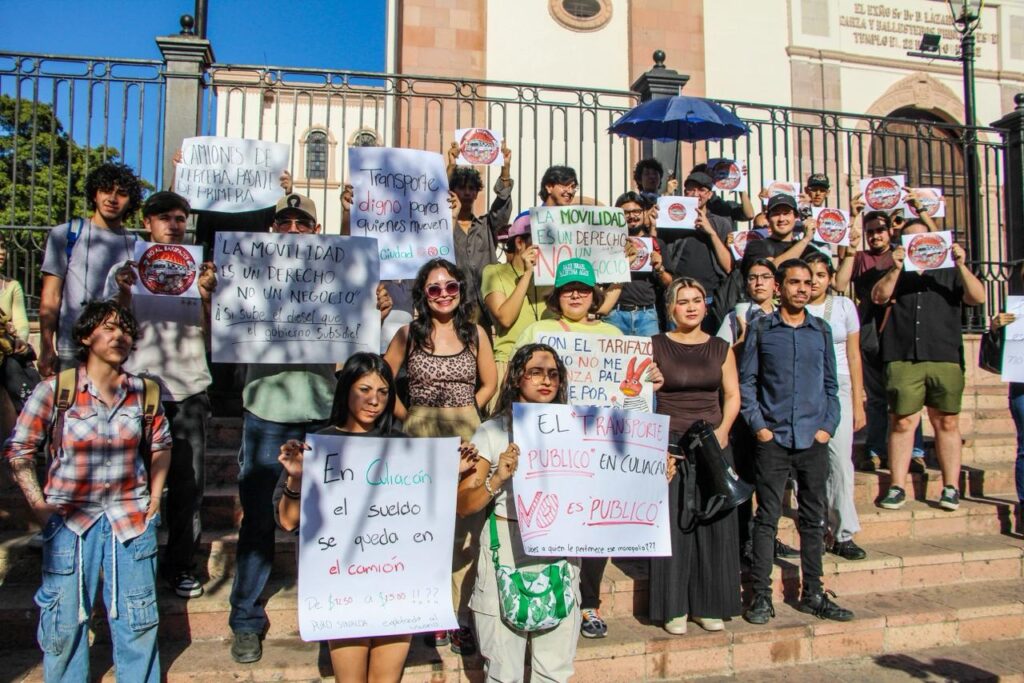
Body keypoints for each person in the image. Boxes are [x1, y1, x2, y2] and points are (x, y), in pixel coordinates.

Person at [274, 352, 479, 683]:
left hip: (397, 587)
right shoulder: (319, 446)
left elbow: (427, 513)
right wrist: (296, 478)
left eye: (383, 392)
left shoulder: (405, 446)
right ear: (346, 390)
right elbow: (287, 522)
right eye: (365, 389)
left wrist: (451, 472)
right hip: (342, 590)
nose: (374, 400)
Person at [4, 301, 172, 682]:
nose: (119, 336)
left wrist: (155, 499)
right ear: (85, 337)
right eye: (108, 328)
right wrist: (40, 507)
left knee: (139, 621)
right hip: (70, 523)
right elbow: (19, 450)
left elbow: (161, 444)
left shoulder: (144, 393)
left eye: (125, 329)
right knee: (63, 623)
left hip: (130, 520)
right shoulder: (55, 390)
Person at [516, 258, 663, 640]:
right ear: (557, 295)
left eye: (583, 288)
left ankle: (589, 603)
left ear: (595, 294)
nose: (576, 295)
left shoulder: (614, 334)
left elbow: (630, 390)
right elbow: (517, 382)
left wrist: (650, 382)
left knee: (597, 527)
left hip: (600, 447)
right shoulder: (538, 330)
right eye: (568, 289)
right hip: (552, 445)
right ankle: (555, 594)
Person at [229, 193, 338, 664]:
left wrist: (372, 311)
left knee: (325, 518)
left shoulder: (337, 272)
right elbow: (226, 328)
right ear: (273, 229)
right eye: (285, 222)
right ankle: (245, 619)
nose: (293, 229)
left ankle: (330, 614)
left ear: (315, 230)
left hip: (321, 408)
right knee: (257, 518)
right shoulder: (248, 271)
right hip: (266, 409)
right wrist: (214, 293)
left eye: (302, 223)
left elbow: (354, 334)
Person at [105, 191, 216, 599]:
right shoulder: (127, 269)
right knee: (131, 483)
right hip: (138, 390)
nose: (173, 224)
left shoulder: (203, 271)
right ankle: (133, 565)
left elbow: (217, 337)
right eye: (165, 217)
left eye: (181, 218)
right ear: (147, 223)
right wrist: (124, 292)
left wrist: (207, 297)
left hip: (189, 389)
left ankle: (181, 565)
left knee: (188, 485)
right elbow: (111, 330)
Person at [383, 258, 497, 655]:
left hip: (466, 440)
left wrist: (468, 411)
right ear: (423, 294)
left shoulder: (476, 333)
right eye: (434, 288)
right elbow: (381, 380)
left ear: (461, 291)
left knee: (466, 527)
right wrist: (408, 416)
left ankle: (460, 616)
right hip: (420, 440)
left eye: (451, 286)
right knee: (425, 529)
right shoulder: (407, 334)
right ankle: (430, 610)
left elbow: (490, 382)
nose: (444, 294)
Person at [740, 259, 853, 624]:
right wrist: (759, 427)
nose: (803, 288)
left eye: (807, 282)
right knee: (766, 519)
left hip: (812, 437)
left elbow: (831, 385)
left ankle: (813, 593)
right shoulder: (762, 328)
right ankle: (760, 596)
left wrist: (827, 426)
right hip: (773, 438)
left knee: (813, 518)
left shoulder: (820, 330)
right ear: (779, 287)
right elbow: (747, 382)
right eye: (794, 282)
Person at [871, 220, 986, 511]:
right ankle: (897, 486)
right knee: (902, 421)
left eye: (922, 238)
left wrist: (961, 265)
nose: (917, 243)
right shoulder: (895, 270)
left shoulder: (949, 271)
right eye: (910, 238)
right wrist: (895, 268)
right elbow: (878, 297)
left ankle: (951, 487)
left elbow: (978, 297)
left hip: (943, 355)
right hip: (903, 355)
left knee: (946, 421)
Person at [650, 277, 741, 634]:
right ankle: (673, 607)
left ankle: (709, 605)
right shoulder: (654, 345)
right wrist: (649, 383)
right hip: (670, 446)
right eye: (682, 301)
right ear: (670, 308)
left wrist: (723, 432)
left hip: (713, 443)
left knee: (714, 525)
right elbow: (635, 393)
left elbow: (732, 395)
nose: (691, 307)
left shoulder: (721, 348)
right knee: (673, 526)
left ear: (706, 306)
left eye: (697, 300)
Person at [39, 162, 142, 377]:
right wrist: (46, 345)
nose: (112, 199)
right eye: (105, 190)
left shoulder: (138, 245)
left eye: (121, 193)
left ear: (131, 201)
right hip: (72, 349)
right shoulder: (65, 235)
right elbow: (51, 295)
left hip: (118, 352)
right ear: (94, 194)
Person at [804, 251, 867, 560]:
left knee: (840, 460)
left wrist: (858, 399)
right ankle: (814, 527)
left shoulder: (844, 306)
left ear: (830, 278)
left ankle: (843, 532)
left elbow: (854, 354)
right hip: (804, 387)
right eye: (809, 276)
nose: (814, 282)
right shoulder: (793, 307)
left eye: (821, 275)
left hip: (838, 386)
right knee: (808, 461)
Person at [481, 212, 553, 403]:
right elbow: (505, 318)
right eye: (539, 241)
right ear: (520, 243)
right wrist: (527, 274)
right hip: (509, 362)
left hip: (547, 366)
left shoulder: (551, 274)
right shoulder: (494, 272)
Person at [446, 141, 515, 319]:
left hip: (488, 309)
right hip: (455, 308)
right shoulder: (444, 227)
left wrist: (505, 169)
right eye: (461, 188)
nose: (467, 193)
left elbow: (502, 206)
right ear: (453, 191)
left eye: (472, 188)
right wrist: (451, 166)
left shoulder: (487, 225)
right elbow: (437, 199)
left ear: (477, 193)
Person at [600, 191, 671, 336]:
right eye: (625, 213)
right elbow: (600, 277)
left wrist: (660, 269)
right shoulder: (607, 243)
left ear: (644, 213)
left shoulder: (657, 244)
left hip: (647, 316)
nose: (632, 216)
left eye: (636, 211)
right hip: (614, 313)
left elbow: (669, 283)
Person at [661, 172, 733, 300]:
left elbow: (728, 267)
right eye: (691, 189)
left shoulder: (721, 223)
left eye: (702, 190)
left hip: (712, 295)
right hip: (679, 294)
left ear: (710, 194)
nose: (696, 194)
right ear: (685, 192)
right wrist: (665, 195)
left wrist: (711, 232)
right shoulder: (673, 220)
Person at [0, 235, 41, 413]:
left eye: (2, 246)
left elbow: (21, 323)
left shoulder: (11, 286)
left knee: (15, 369)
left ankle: (32, 414)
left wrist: (21, 339)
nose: (1, 252)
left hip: (7, 352)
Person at [742, 194, 817, 266]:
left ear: (796, 216)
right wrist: (806, 239)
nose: (781, 219)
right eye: (776, 214)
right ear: (768, 218)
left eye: (786, 213)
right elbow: (770, 270)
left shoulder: (809, 251)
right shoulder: (756, 246)